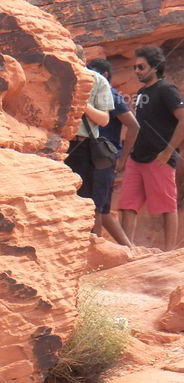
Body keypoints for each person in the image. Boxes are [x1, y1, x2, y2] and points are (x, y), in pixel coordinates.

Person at [116, 46, 184, 251]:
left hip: (159, 157)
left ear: (154, 67)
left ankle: (169, 252)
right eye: (135, 67)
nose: (136, 71)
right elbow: (136, 125)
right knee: (127, 205)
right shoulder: (141, 93)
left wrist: (168, 151)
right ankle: (128, 249)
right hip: (137, 158)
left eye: (141, 67)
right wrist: (126, 157)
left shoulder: (167, 90)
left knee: (166, 206)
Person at [87, 58, 139, 246]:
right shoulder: (96, 94)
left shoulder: (110, 94)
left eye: (92, 72)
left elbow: (134, 126)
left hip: (104, 156)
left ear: (104, 75)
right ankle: (129, 249)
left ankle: (96, 252)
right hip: (99, 155)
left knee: (96, 209)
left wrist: (122, 158)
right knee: (104, 210)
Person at [63, 65, 114, 232]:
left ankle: (87, 240)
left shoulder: (97, 81)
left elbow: (104, 120)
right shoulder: (58, 72)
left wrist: (84, 105)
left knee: (84, 195)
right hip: (58, 144)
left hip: (82, 145)